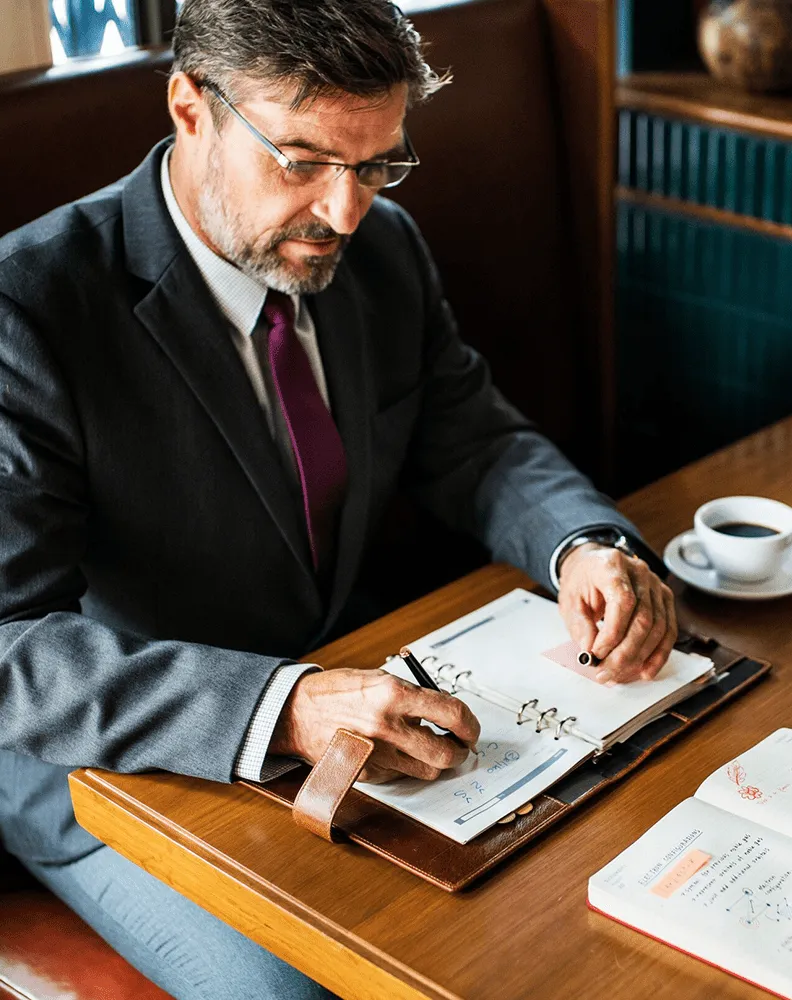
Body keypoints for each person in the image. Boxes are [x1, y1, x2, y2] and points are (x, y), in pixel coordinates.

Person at [0, 1, 676, 996]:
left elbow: (477, 443)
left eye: (376, 164)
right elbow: (11, 648)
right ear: (192, 109)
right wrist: (281, 704)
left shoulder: (384, 250)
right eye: (303, 158)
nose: (345, 211)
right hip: (117, 775)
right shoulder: (27, 309)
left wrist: (583, 545)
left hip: (357, 702)